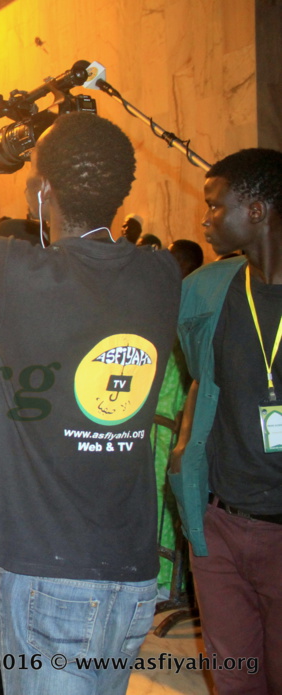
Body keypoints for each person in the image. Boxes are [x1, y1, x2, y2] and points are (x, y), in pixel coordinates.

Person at [0, 88, 180, 695]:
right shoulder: (160, 275)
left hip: (50, 575)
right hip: (131, 575)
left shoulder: (17, 275)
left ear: (40, 192)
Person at [169, 148, 282, 695]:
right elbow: (200, 379)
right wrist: (184, 452)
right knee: (236, 681)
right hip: (218, 523)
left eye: (215, 206)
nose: (205, 219)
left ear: (255, 211)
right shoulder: (204, 290)